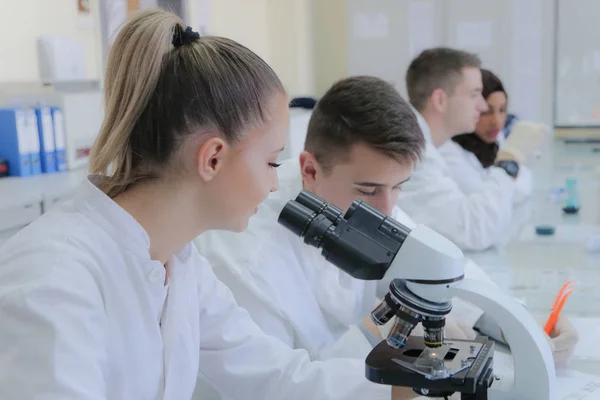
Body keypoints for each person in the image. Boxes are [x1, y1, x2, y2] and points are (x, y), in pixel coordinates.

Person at [0, 10, 415, 400]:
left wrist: (409, 390)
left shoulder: (180, 263)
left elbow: (276, 377)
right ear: (212, 158)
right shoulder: (53, 278)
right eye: (272, 162)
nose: (275, 184)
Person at [194, 76, 577, 386]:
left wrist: (513, 321)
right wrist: (378, 334)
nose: (389, 210)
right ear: (309, 170)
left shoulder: (364, 196)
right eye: (369, 190)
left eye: (399, 187)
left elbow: (431, 265)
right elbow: (278, 386)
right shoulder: (245, 254)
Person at [396, 48, 543, 251]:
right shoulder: (412, 154)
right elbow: (475, 231)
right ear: (440, 100)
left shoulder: (424, 146)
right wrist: (509, 161)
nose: (483, 106)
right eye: (475, 95)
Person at [438, 69, 533, 205]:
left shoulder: (496, 139)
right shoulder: (448, 151)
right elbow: (491, 201)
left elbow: (525, 183)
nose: (497, 121)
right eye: (486, 112)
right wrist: (510, 169)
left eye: (502, 110)